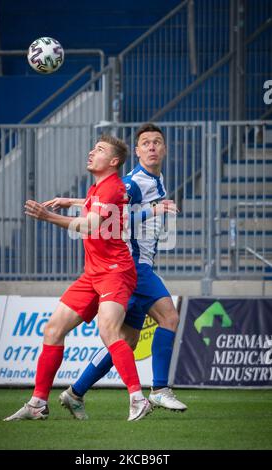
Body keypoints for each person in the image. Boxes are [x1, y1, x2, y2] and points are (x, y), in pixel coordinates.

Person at [4, 134, 152, 422]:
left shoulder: (112, 187)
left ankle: (138, 399)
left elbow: (90, 225)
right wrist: (70, 201)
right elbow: (93, 203)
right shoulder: (98, 186)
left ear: (113, 161)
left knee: (109, 331)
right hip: (92, 273)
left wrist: (47, 216)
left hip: (115, 272)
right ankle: (37, 404)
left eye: (98, 150)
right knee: (52, 330)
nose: (90, 152)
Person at [44, 123, 187, 420]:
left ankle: (75, 392)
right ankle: (159, 389)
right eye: (145, 143)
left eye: (157, 142)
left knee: (126, 341)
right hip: (131, 266)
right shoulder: (134, 183)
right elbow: (115, 220)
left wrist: (70, 201)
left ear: (165, 149)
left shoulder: (155, 182)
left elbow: (104, 205)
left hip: (133, 268)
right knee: (169, 317)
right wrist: (154, 212)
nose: (151, 147)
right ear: (135, 152)